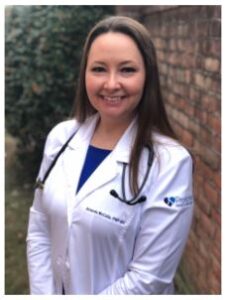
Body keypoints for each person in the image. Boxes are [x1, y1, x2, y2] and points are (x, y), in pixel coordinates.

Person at [26, 16, 194, 295]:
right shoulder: (60, 137)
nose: (111, 84)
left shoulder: (170, 162)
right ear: (85, 75)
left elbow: (148, 280)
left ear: (147, 76)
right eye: (99, 69)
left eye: (127, 70)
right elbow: (40, 228)